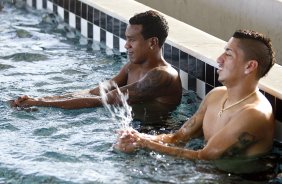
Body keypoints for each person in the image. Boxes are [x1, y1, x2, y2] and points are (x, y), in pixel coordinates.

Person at [115, 29, 276, 173]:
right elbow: (178, 138)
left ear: (250, 66)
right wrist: (137, 137)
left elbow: (205, 156)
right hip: (208, 172)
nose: (219, 59)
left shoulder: (254, 113)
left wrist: (144, 143)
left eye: (228, 54)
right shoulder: (216, 95)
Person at [10, 10, 182, 114]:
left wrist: (40, 104)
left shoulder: (162, 76)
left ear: (152, 42)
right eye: (126, 39)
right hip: (131, 133)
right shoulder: (132, 66)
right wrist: (40, 98)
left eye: (132, 40)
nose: (126, 45)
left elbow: (103, 100)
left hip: (157, 135)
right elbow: (94, 92)